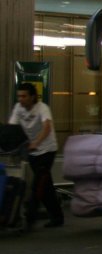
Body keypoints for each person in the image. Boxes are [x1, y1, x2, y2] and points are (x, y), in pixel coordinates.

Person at [9, 82, 64, 230]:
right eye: (19, 96)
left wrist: (36, 143)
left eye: (24, 96)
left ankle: (30, 218)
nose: (21, 99)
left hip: (47, 150)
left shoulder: (42, 108)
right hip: (32, 151)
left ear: (32, 97)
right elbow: (13, 127)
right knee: (46, 186)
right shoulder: (18, 108)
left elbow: (47, 127)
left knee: (38, 185)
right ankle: (57, 217)